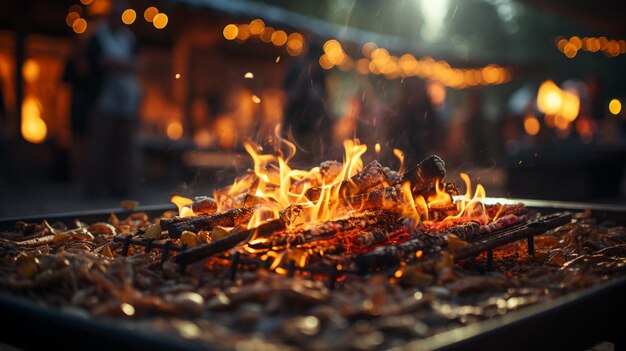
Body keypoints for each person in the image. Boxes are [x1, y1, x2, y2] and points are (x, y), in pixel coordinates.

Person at [84, 2, 141, 197]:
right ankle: (93, 189)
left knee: (124, 149)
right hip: (103, 101)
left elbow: (137, 64)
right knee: (100, 147)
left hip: (127, 103)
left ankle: (122, 188)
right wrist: (123, 65)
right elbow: (100, 63)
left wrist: (118, 64)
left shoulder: (128, 38)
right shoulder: (97, 36)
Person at [282, 40, 334, 165]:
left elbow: (324, 96)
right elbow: (288, 92)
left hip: (310, 119)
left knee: (308, 153)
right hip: (295, 116)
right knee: (293, 152)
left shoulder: (318, 72)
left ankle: (305, 175)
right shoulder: (297, 68)